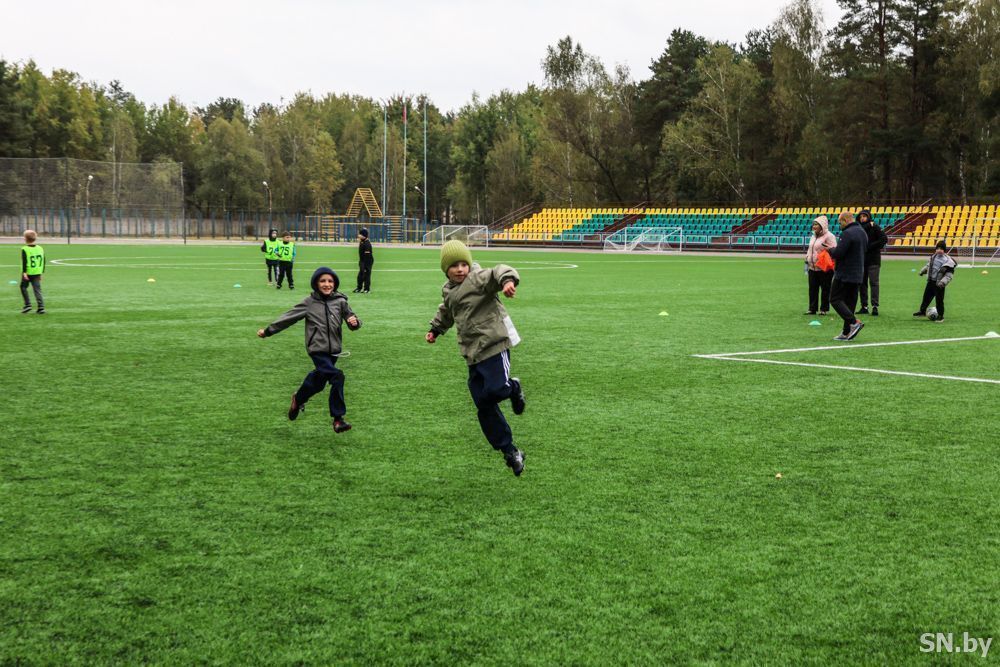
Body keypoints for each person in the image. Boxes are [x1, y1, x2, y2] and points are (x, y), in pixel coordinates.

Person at [425, 240, 527, 476]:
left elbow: (498, 271)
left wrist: (508, 281)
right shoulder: (448, 291)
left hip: (494, 345)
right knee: (483, 404)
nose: (460, 269)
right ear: (445, 269)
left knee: (497, 389)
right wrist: (436, 329)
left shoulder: (478, 278)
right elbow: (446, 311)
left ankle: (513, 387)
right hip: (472, 353)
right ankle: (510, 451)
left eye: (464, 264)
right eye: (454, 266)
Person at [257, 267, 361, 433]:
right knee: (337, 376)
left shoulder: (340, 301)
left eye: (330, 281)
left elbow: (351, 318)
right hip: (317, 349)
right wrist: (268, 331)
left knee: (319, 382)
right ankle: (338, 419)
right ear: (316, 283)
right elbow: (288, 317)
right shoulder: (309, 303)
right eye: (322, 281)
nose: (327, 284)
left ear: (335, 284)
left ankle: (298, 399)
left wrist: (354, 322)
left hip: (334, 350)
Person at [827, 211, 867, 341]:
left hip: (844, 273)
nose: (840, 225)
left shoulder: (847, 233)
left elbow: (838, 253)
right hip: (858, 273)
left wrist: (830, 250)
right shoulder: (862, 232)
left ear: (845, 220)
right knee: (850, 303)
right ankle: (846, 332)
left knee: (834, 299)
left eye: (840, 223)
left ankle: (854, 322)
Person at [914, 240, 956, 322]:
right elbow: (928, 266)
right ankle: (922, 311)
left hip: (939, 284)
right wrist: (923, 271)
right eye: (938, 248)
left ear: (944, 250)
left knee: (939, 301)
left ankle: (940, 316)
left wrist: (942, 283)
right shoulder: (933, 257)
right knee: (926, 297)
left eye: (941, 249)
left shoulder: (947, 261)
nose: (939, 250)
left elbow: (949, 275)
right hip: (931, 281)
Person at [804, 215, 837, 315]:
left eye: (816, 224)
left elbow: (834, 250)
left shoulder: (829, 236)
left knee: (825, 289)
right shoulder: (813, 236)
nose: (814, 226)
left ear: (822, 225)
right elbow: (810, 249)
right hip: (812, 267)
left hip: (824, 268)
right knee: (812, 289)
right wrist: (807, 259)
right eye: (813, 224)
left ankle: (824, 309)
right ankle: (812, 308)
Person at [858, 209, 887, 316]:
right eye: (861, 217)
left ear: (869, 217)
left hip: (873, 260)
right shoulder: (859, 228)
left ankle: (875, 306)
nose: (862, 218)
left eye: (864, 216)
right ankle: (864, 306)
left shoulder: (875, 226)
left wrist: (870, 246)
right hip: (861, 260)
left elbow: (884, 239)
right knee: (862, 284)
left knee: (874, 283)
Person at [19, 229, 45, 314]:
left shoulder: (25, 249)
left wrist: (24, 272)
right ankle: (41, 307)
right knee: (37, 289)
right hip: (37, 272)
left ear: (25, 239)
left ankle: (28, 305)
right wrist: (41, 272)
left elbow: (24, 261)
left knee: (23, 287)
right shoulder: (40, 248)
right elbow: (43, 260)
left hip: (28, 272)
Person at [354, 227, 374, 293]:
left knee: (366, 275)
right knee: (360, 275)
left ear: (364, 235)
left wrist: (365, 266)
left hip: (367, 261)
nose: (358, 235)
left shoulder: (367, 244)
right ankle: (359, 288)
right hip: (362, 260)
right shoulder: (362, 242)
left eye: (360, 234)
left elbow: (367, 256)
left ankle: (367, 289)